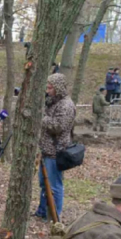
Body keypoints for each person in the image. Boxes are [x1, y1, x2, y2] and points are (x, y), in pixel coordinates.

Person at [34, 73, 75, 220]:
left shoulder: (66, 105)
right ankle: (42, 211)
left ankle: (54, 216)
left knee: (54, 186)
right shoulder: (52, 102)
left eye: (50, 87)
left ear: (58, 88)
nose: (47, 90)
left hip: (56, 151)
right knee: (44, 183)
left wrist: (41, 117)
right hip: (46, 149)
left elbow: (58, 126)